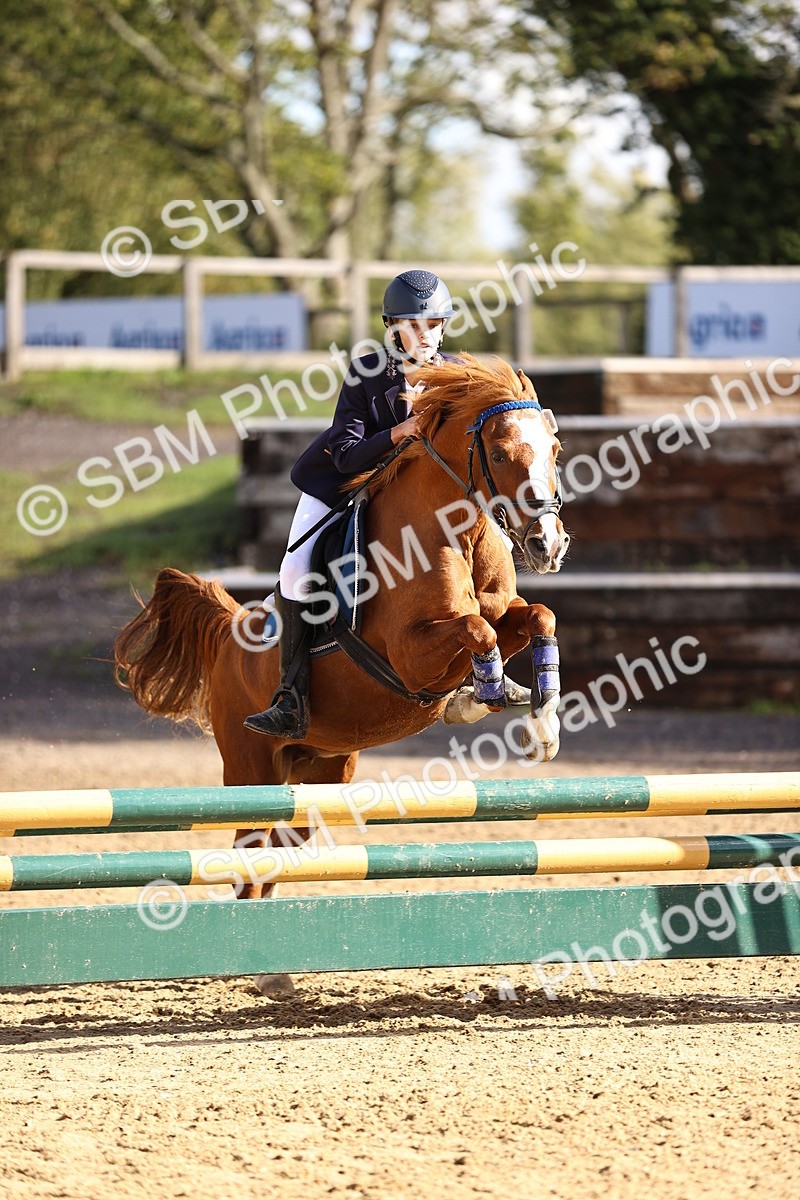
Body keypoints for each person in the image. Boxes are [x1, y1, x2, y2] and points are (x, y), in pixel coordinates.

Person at [243, 269, 455, 739]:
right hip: (340, 484)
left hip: (410, 498)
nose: (424, 335)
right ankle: (291, 695)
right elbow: (344, 452)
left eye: (434, 325)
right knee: (296, 573)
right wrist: (398, 432)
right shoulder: (367, 372)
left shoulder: (456, 372)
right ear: (390, 325)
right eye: (413, 325)